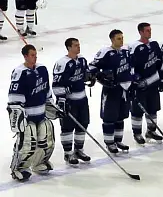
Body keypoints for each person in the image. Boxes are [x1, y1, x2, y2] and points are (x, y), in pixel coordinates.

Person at [7, 44, 56, 181]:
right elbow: (14, 97)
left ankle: (39, 163)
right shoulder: (19, 73)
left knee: (46, 140)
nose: (35, 57)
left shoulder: (42, 69)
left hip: (41, 113)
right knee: (28, 142)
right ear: (25, 56)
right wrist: (17, 116)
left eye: (36, 55)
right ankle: (18, 168)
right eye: (32, 55)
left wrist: (52, 106)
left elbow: (47, 90)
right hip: (28, 116)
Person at [89, 29, 132, 154]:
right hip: (111, 89)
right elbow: (92, 66)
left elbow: (131, 67)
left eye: (122, 38)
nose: (121, 40)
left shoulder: (126, 51)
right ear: (112, 40)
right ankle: (109, 142)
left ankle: (118, 140)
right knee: (109, 116)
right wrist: (100, 75)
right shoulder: (105, 52)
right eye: (118, 38)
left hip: (124, 89)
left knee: (121, 116)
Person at [52, 38, 92, 166]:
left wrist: (91, 78)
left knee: (83, 124)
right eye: (75, 45)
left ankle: (79, 150)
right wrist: (62, 101)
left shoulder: (82, 60)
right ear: (69, 48)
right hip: (70, 102)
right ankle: (68, 153)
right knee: (67, 128)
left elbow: (85, 74)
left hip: (82, 99)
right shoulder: (62, 63)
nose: (78, 47)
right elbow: (56, 85)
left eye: (79, 45)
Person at [129, 22, 163, 145]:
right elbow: (130, 66)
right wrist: (134, 79)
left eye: (150, 30)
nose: (149, 32)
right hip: (141, 85)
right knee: (138, 110)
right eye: (147, 30)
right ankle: (137, 133)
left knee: (153, 108)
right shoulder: (134, 47)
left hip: (154, 83)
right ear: (140, 32)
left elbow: (160, 63)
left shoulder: (155, 45)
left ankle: (151, 131)